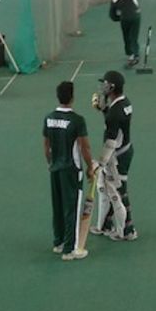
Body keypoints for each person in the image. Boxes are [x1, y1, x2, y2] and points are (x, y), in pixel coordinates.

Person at [43, 81, 95, 261]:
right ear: (72, 97)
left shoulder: (49, 118)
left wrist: (51, 163)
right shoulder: (77, 120)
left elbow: (46, 147)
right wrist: (90, 167)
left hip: (55, 169)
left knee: (57, 206)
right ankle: (70, 249)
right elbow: (85, 148)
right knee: (71, 208)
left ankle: (58, 242)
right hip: (71, 170)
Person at [90, 69, 137, 242]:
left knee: (117, 192)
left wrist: (100, 163)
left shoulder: (114, 113)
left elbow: (111, 141)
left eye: (105, 84)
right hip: (123, 150)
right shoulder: (125, 102)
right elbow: (113, 117)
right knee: (104, 187)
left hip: (117, 156)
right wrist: (103, 109)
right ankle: (105, 225)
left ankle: (127, 230)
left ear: (112, 87)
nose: (103, 87)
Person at [108, 0, 142, 68]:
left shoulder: (113, 1)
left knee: (127, 37)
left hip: (125, 19)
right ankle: (136, 54)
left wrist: (120, 18)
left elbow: (112, 16)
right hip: (136, 16)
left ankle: (130, 55)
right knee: (134, 36)